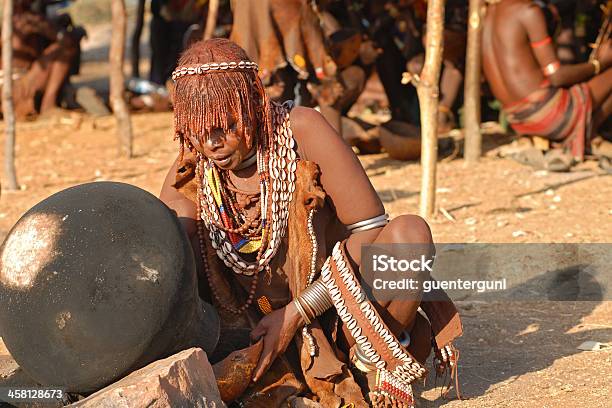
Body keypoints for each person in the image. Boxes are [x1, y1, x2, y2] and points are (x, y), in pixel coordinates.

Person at [160, 38, 462, 407]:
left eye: (226, 124)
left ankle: (370, 360)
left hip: (346, 317)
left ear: (253, 103)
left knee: (409, 235)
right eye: (199, 128)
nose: (212, 142)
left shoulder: (301, 129)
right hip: (256, 335)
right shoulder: (193, 167)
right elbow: (166, 249)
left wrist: (297, 311)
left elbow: (371, 227)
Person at [483, 0, 612, 170]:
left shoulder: (488, 14)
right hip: (549, 116)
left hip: (517, 120)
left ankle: (585, 137)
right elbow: (557, 77)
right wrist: (598, 64)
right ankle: (584, 138)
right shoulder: (528, 11)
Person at [0, 0, 84, 119]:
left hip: (7, 84)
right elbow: (63, 38)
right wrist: (74, 33)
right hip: (17, 86)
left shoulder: (10, 20)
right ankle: (48, 105)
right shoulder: (27, 19)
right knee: (67, 47)